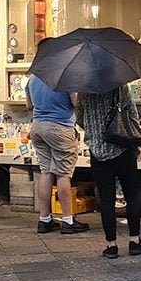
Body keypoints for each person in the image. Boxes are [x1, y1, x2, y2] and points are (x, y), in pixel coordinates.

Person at [77, 85, 141, 259]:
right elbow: (132, 116)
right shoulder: (119, 87)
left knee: (106, 200)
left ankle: (111, 245)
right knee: (133, 194)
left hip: (98, 153)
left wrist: (95, 132)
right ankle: (135, 240)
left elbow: (79, 119)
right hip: (122, 149)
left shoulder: (84, 92)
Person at [25, 71, 89, 235]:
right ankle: (68, 220)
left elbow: (29, 105)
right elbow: (75, 102)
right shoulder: (66, 78)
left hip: (38, 127)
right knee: (63, 174)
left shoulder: (32, 78)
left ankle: (44, 220)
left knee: (46, 172)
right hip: (60, 127)